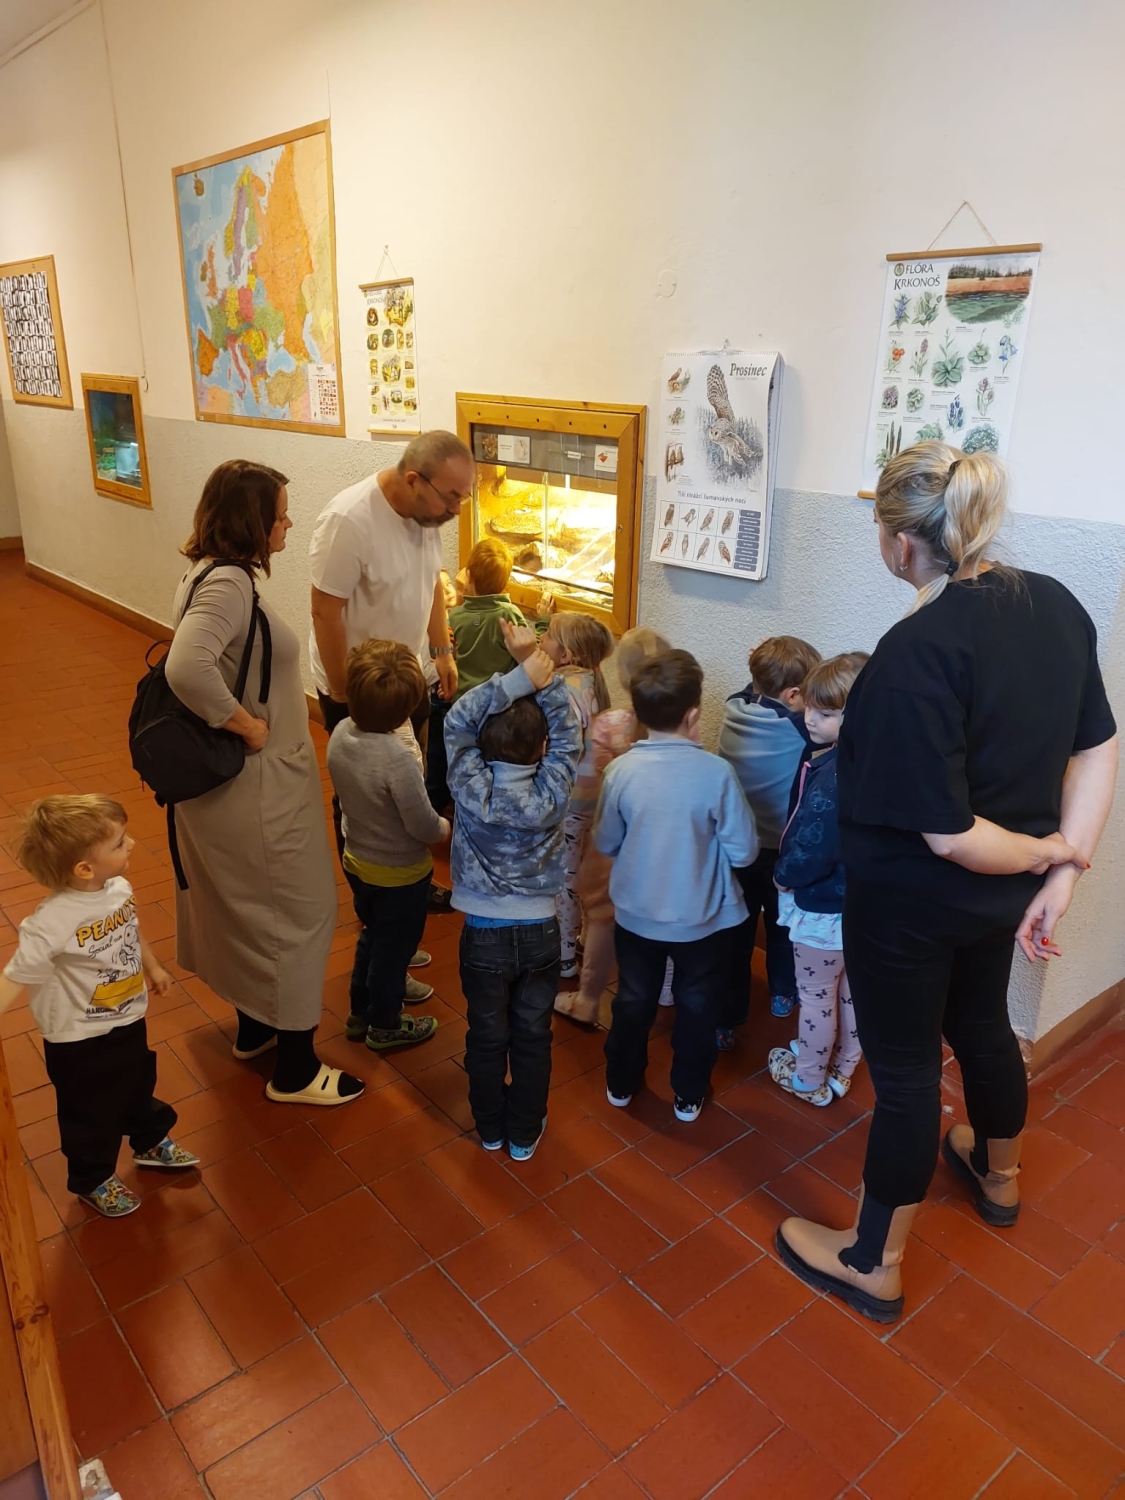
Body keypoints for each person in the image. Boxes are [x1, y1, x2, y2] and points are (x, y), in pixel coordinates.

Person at [776, 443, 1117, 1325]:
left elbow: (953, 836)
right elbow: (1097, 744)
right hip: (993, 904)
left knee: (903, 1076)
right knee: (981, 1026)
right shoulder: (1056, 604)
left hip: (909, 907)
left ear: (900, 543)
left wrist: (1051, 856)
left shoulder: (912, 652)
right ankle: (997, 1175)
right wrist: (1063, 864)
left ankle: (871, 1262)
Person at [166, 460, 363, 1107]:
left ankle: (256, 1029)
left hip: (236, 788)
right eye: (279, 515)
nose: (287, 524)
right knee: (302, 912)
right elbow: (186, 667)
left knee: (249, 909)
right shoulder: (228, 584)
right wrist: (245, 724)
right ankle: (297, 1070)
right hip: (254, 788)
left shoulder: (206, 571)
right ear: (250, 521)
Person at [0, 797, 199, 1218]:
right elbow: (16, 975)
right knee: (89, 1111)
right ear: (84, 868)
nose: (132, 844)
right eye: (119, 842)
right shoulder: (50, 922)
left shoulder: (118, 889)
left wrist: (153, 966)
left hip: (127, 1015)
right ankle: (93, 1179)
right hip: (78, 1037)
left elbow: (130, 931)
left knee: (137, 1082)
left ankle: (149, 1142)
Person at [309, 430, 474, 909]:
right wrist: (344, 694)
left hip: (408, 675)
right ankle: (370, 896)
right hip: (360, 687)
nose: (456, 509)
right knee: (362, 793)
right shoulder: (348, 520)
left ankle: (407, 881)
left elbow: (432, 583)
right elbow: (325, 612)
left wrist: (441, 650)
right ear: (414, 479)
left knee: (409, 775)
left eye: (463, 497)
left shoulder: (427, 514)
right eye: (451, 497)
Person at [595, 649, 759, 1122]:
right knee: (698, 1004)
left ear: (638, 713)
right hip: (703, 921)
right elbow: (744, 852)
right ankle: (688, 1093)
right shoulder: (717, 774)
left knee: (633, 1000)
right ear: (693, 715)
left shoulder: (620, 771)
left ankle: (621, 1081)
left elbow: (606, 841)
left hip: (636, 916)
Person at [444, 625, 581, 1159]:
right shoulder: (553, 788)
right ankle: (524, 1132)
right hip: (542, 931)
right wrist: (547, 681)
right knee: (532, 1035)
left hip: (482, 935)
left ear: (481, 746)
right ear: (543, 748)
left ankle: (489, 1127)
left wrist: (518, 678)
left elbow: (456, 720)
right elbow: (569, 732)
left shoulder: (468, 783)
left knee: (485, 1035)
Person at [326, 640, 450, 1053]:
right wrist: (444, 828)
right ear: (405, 713)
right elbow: (421, 824)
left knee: (373, 936)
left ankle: (359, 1011)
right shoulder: (398, 759)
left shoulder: (341, 734)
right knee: (394, 951)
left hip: (358, 859)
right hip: (400, 874)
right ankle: (385, 1023)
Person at [555, 626, 671, 1025]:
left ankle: (586, 995)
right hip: (658, 843)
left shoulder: (609, 724)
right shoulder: (682, 733)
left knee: (601, 914)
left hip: (613, 837)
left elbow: (591, 786)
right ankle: (667, 988)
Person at [767, 654, 867, 1107]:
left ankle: (808, 1079)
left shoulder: (834, 778)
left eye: (824, 713)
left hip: (823, 908)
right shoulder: (875, 763)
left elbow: (814, 847)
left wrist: (783, 876)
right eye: (807, 706)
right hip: (861, 907)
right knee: (851, 993)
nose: (809, 718)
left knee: (816, 997)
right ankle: (843, 1068)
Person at [718, 634, 821, 1039]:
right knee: (781, 927)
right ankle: (782, 992)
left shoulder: (732, 708)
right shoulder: (798, 729)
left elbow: (754, 692)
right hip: (780, 850)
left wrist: (761, 670)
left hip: (736, 847)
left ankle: (726, 1020)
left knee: (736, 936)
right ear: (794, 695)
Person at [539, 611, 615, 978]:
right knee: (583, 873)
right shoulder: (593, 683)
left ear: (566, 654)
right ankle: (582, 937)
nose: (541, 639)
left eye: (548, 635)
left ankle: (564, 955)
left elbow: (564, 749)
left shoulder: (562, 690)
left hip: (570, 802)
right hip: (595, 801)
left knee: (565, 880)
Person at [427, 538, 528, 814]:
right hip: (498, 709)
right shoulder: (509, 614)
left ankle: (457, 805)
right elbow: (528, 650)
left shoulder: (456, 616)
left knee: (462, 759)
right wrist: (542, 623)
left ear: (468, 575)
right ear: (506, 582)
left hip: (461, 705)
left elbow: (447, 654)